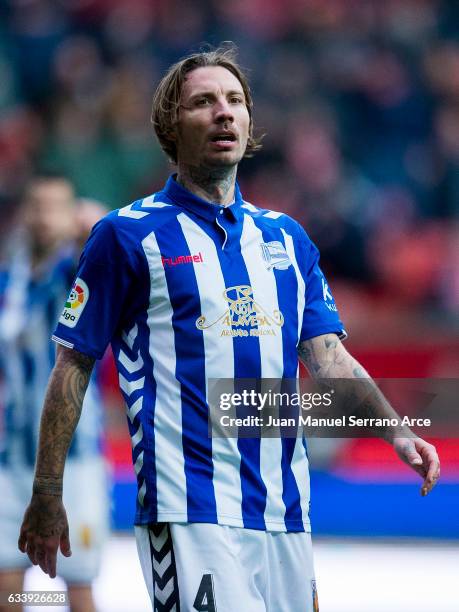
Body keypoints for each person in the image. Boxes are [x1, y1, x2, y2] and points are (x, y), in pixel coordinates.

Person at [18, 46, 440, 611]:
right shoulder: (126, 236)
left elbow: (330, 360)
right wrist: (48, 490)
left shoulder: (287, 239)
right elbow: (72, 366)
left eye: (235, 101)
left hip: (285, 510)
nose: (224, 112)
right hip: (187, 508)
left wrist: (396, 432)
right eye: (204, 102)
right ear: (172, 125)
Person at [0, 175, 109, 612]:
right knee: (8, 583)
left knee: (77, 583)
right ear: (25, 214)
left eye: (56, 207)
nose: (45, 218)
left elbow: (104, 233)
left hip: (75, 460)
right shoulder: (11, 283)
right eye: (37, 207)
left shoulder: (79, 274)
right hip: (10, 457)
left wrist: (91, 221)